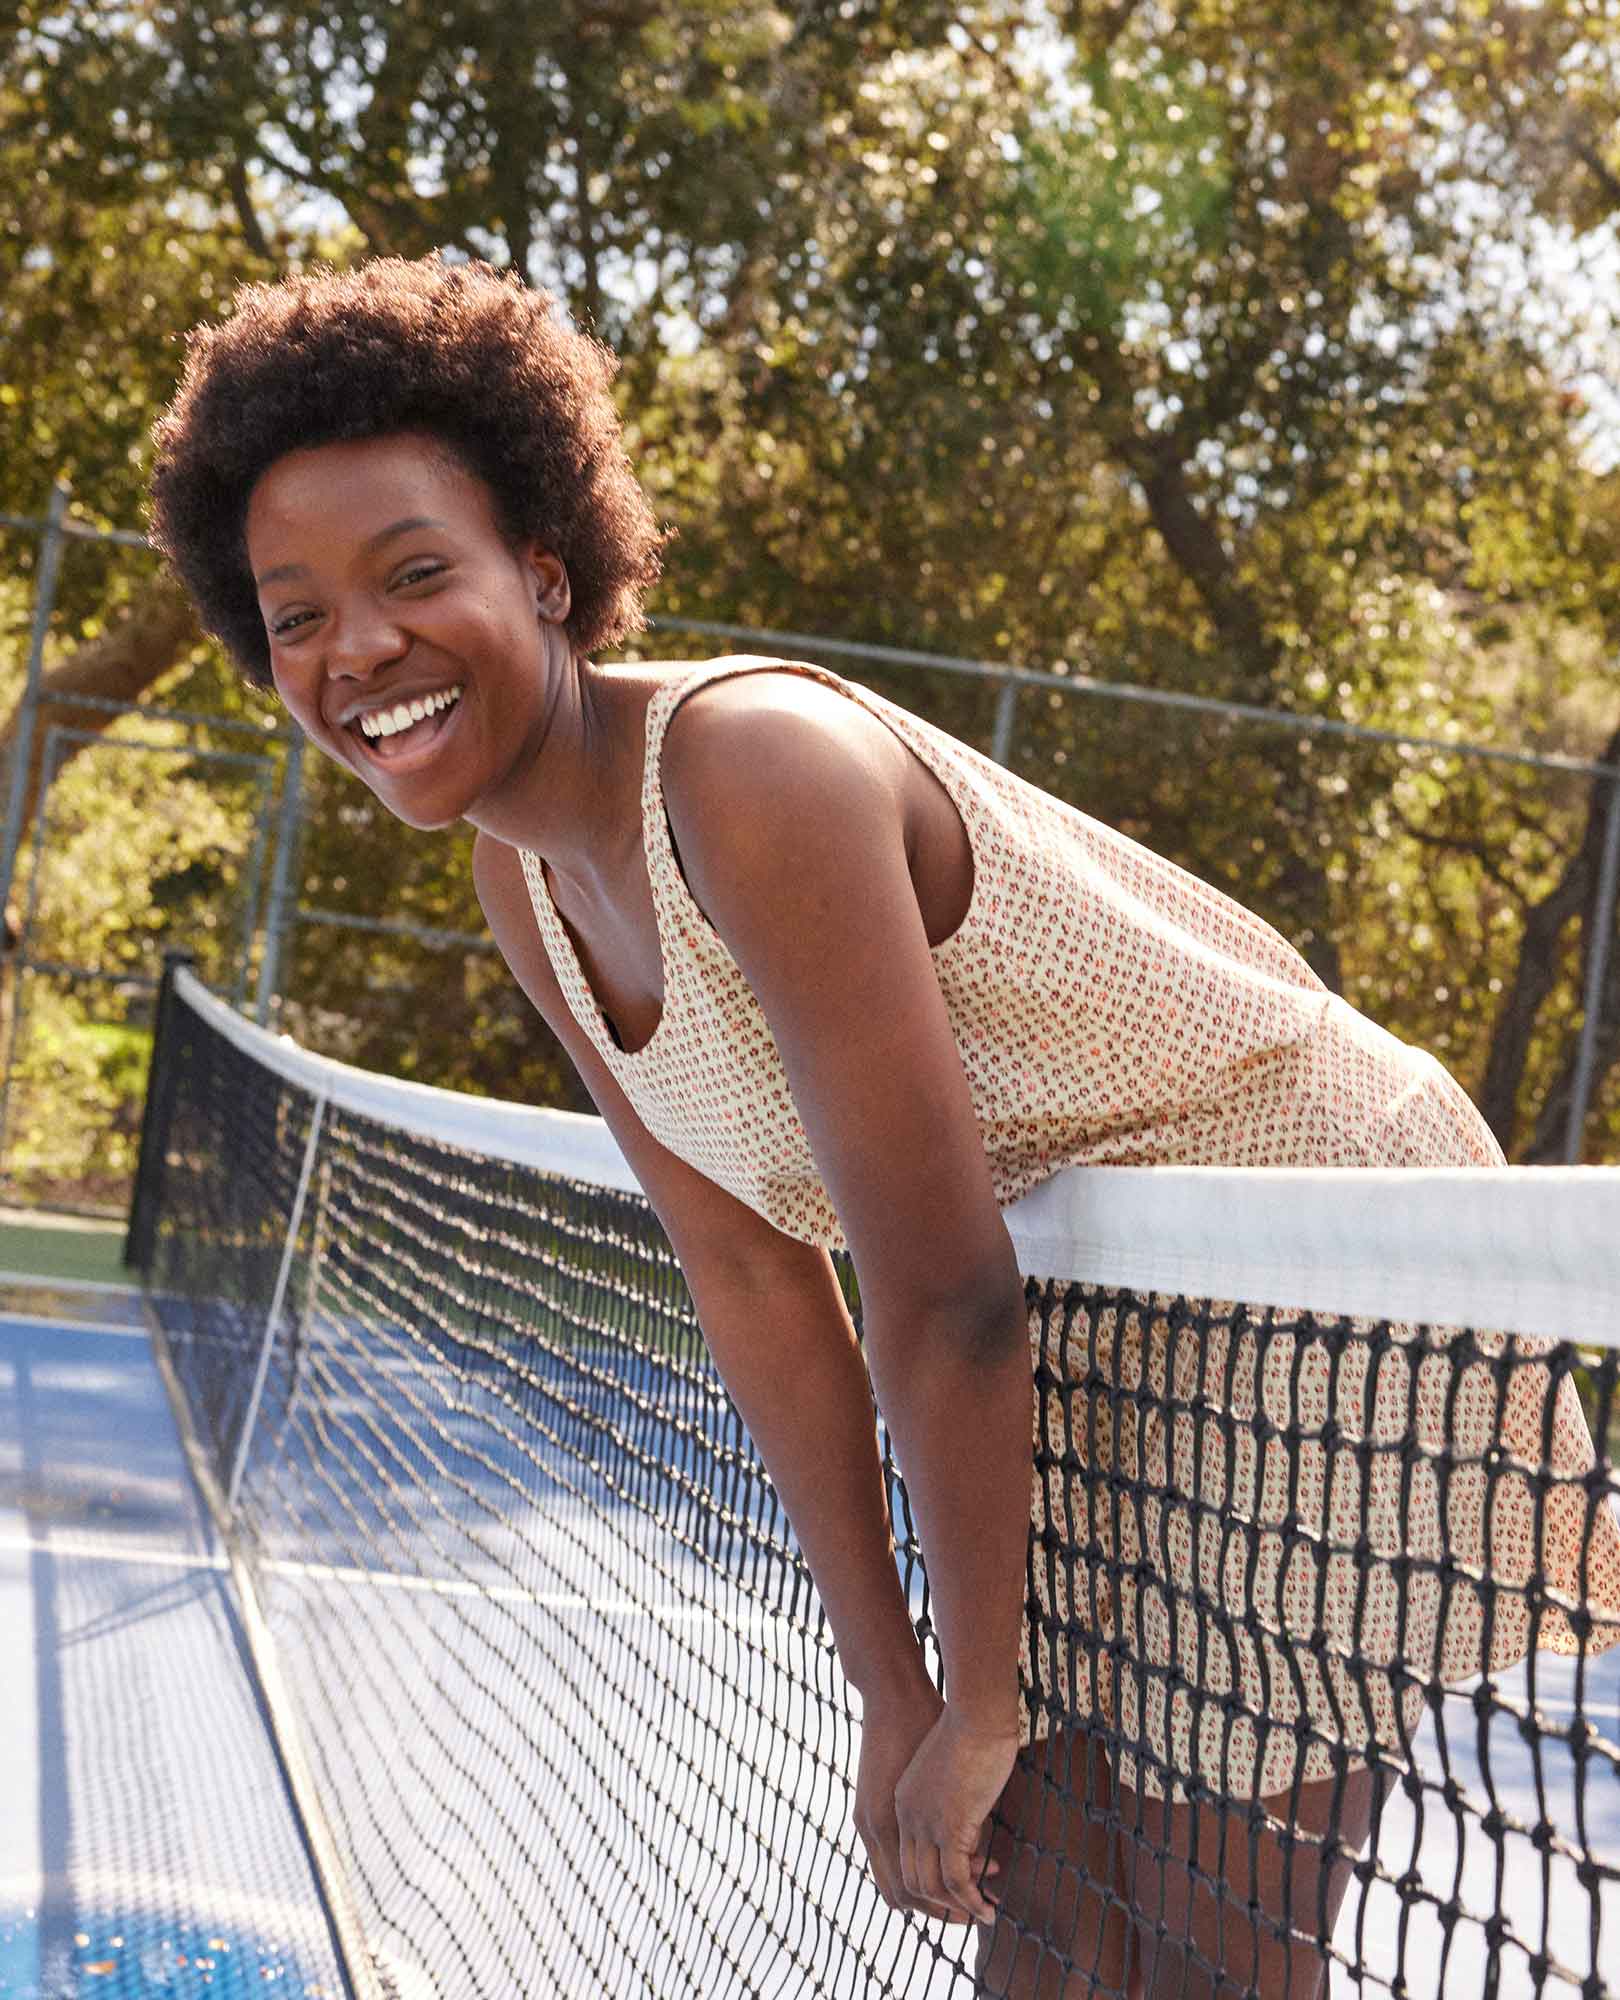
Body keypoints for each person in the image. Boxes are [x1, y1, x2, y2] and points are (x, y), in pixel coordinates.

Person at [147, 255, 1620, 2000]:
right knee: (1048, 1926)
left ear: (544, 573)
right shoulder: (522, 883)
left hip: (1320, 1272)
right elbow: (753, 1282)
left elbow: (942, 1292)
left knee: (1211, 1949)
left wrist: (977, 1702)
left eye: (412, 575)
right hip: (1090, 1318)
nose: (355, 650)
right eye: (294, 612)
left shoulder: (752, 771)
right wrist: (895, 1695)